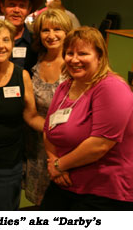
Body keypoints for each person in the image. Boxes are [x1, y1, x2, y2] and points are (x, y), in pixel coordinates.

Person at [41, 26, 133, 211]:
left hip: (105, 189)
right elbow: (47, 130)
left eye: (83, 53)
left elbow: (99, 145)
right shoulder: (65, 86)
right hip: (64, 180)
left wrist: (59, 165)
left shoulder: (111, 87)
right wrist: (53, 163)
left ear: (99, 56)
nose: (74, 59)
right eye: (69, 53)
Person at [0, 19, 44, 211]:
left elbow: (30, 115)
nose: (0, 46)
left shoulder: (21, 75)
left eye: (6, 40)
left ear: (13, 45)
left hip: (6, 165)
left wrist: (53, 129)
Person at [24, 9, 73, 206]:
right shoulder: (34, 62)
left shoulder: (75, 63)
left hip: (69, 147)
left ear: (67, 32)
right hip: (38, 145)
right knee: (40, 203)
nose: (51, 35)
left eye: (57, 29)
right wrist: (49, 134)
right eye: (45, 30)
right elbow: (30, 114)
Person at [0, 0, 43, 72]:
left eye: (22, 6)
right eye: (12, 4)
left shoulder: (36, 41)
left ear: (29, 9)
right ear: (2, 7)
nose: (17, 10)